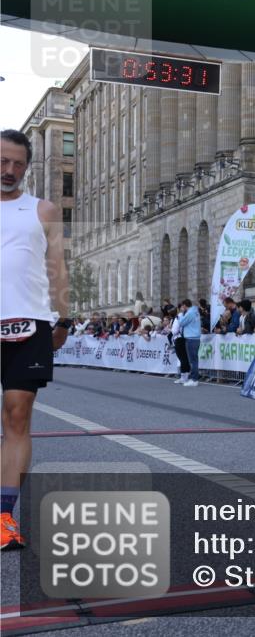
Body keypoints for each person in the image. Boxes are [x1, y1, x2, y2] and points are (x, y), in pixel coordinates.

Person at [1, 129, 71, 550]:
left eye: (18, 164)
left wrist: (63, 318)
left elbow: (57, 266)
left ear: (27, 167)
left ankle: (4, 517)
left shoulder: (43, 210)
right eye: (2, 161)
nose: (9, 171)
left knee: (16, 417)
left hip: (29, 323)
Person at [176, 299, 202, 387]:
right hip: (195, 337)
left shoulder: (190, 313)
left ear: (184, 305)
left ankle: (194, 379)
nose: (182, 308)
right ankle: (194, 378)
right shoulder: (196, 312)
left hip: (191, 338)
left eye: (182, 306)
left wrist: (180, 315)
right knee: (194, 359)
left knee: (193, 360)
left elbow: (181, 323)